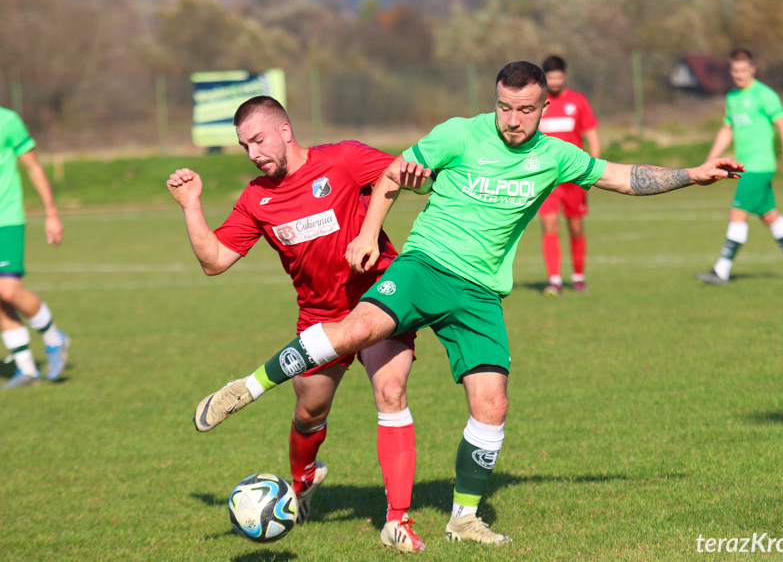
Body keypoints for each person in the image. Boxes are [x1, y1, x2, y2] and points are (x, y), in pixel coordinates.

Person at [193, 63, 743, 546]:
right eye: (504, 106)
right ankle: (249, 386)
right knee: (357, 328)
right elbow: (395, 173)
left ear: (543, 107)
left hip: (480, 291)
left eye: (525, 110)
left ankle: (463, 519)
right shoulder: (458, 134)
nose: (512, 119)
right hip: (425, 265)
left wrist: (691, 175)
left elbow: (621, 176)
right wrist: (370, 233)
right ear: (495, 100)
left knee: (491, 404)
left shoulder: (556, 156)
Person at [167, 96, 429, 552]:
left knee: (391, 393)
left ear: (285, 130)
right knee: (310, 413)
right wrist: (191, 204)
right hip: (321, 319)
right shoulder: (256, 200)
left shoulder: (344, 160)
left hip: (381, 301)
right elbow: (214, 261)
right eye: (244, 146)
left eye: (258, 140)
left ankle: (397, 520)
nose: (253, 153)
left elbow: (401, 173)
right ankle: (303, 480)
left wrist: (415, 178)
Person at [697, 48, 783, 285]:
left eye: (743, 70)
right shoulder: (732, 98)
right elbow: (727, 129)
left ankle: (721, 270)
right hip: (745, 166)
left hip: (758, 166)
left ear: (753, 69)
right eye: (735, 70)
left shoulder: (764, 95)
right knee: (769, 215)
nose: (739, 75)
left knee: (737, 212)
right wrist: (710, 158)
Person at [0, 106, 70, 389]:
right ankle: (26, 368)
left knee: (7, 289)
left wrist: (51, 214)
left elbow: (34, 167)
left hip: (6, 219)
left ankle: (55, 338)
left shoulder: (7, 120)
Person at [537, 55, 601, 295]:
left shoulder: (578, 101)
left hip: (575, 176)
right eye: (550, 77)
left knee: (575, 227)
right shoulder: (539, 104)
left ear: (565, 76)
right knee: (549, 225)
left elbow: (592, 135)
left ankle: (578, 277)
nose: (554, 81)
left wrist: (593, 170)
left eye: (558, 76)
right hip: (547, 178)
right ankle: (554, 280)